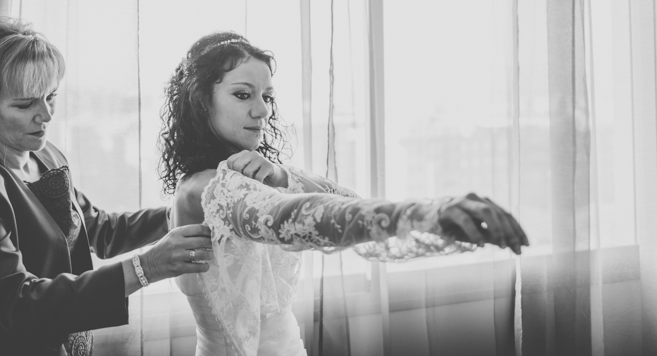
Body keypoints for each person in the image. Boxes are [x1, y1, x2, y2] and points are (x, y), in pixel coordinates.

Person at [158, 32, 529, 356]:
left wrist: (281, 174)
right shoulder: (208, 187)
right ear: (201, 101)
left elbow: (346, 199)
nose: (262, 110)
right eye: (243, 95)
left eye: (267, 97)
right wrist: (425, 213)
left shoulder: (238, 175)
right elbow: (294, 218)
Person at [0, 16, 214, 356]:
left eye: (51, 96)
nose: (46, 116)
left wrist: (183, 209)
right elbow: (19, 302)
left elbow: (99, 230)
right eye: (25, 104)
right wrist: (146, 267)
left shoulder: (45, 155)